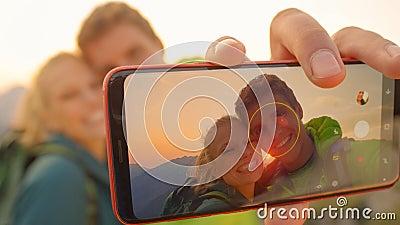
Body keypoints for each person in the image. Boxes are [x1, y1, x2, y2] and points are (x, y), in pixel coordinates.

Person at [11, 52, 121, 225]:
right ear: (47, 117)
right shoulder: (59, 176)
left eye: (94, 85)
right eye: (69, 95)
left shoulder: (105, 163)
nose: (92, 100)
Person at [162, 116, 264, 216]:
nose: (246, 152)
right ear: (215, 169)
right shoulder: (215, 209)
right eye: (229, 150)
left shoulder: (267, 189)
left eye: (249, 141)